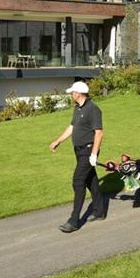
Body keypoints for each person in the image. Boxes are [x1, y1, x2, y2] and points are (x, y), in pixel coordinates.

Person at [49, 81, 105, 233]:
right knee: (91, 180)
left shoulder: (93, 109)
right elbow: (72, 127)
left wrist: (94, 153)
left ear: (78, 93)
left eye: (72, 92)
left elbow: (99, 133)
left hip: (88, 150)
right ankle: (100, 211)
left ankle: (74, 220)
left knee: (78, 181)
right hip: (79, 151)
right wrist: (58, 141)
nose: (71, 94)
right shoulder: (78, 108)